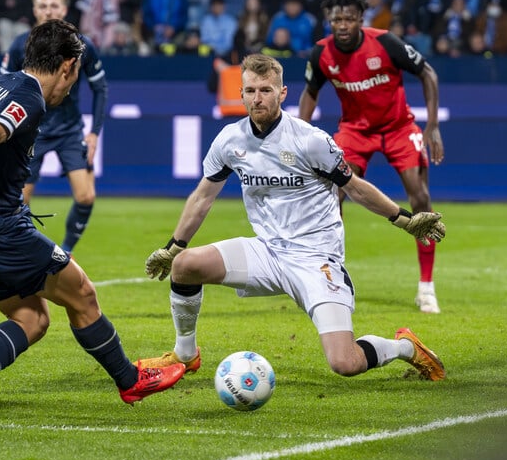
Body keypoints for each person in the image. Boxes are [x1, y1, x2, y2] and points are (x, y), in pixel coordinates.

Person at [0, 19, 185, 428]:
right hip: (3, 230)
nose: (72, 86)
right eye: (75, 74)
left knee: (32, 320)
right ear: (68, 66)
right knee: (83, 294)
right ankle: (130, 379)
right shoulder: (29, 96)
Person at [138, 53, 446, 382]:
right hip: (268, 251)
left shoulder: (310, 141)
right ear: (240, 94)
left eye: (266, 90)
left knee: (345, 362)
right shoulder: (230, 140)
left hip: (316, 258)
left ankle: (405, 347)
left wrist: (403, 219)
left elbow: (355, 188)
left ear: (282, 93)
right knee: (185, 266)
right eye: (251, 90)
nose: (258, 98)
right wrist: (173, 247)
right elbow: (202, 197)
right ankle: (185, 355)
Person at [298, 0, 445, 314]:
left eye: (350, 18)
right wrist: (300, 135)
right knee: (331, 195)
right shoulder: (321, 54)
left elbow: (428, 73)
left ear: (360, 19)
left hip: (398, 127)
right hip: (355, 132)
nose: (343, 25)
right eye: (337, 19)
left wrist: (432, 125)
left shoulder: (385, 43)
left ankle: (426, 287)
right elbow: (310, 92)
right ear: (329, 20)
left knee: (418, 195)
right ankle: (330, 276)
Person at [0, 0, 109, 254]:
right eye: (43, 6)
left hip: (70, 130)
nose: (49, 11)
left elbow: (100, 89)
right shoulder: (19, 46)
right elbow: (2, 88)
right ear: (35, 11)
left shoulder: (83, 46)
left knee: (86, 196)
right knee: (17, 202)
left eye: (54, 6)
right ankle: (27, 252)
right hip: (30, 131)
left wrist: (94, 132)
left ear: (64, 9)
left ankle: (66, 251)